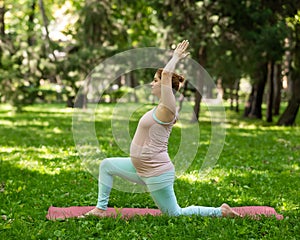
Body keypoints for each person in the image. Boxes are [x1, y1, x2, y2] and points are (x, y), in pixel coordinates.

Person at [84, 40, 239, 218]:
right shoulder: (159, 107)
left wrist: (175, 57)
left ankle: (220, 212)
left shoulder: (168, 107)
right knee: (107, 165)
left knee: (175, 214)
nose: (152, 83)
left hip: (156, 171)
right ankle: (100, 210)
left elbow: (166, 74)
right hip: (139, 168)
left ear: (166, 87)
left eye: (155, 80)